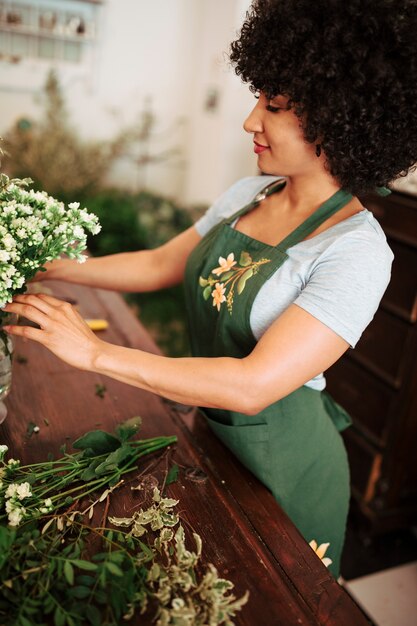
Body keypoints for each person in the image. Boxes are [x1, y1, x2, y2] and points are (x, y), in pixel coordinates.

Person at [4, 0, 417, 578]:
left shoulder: (357, 251)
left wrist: (94, 352)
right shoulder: (252, 193)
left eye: (272, 105)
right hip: (213, 433)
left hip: (284, 472)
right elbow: (157, 265)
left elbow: (252, 386)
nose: (251, 120)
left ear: (338, 118)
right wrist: (50, 265)